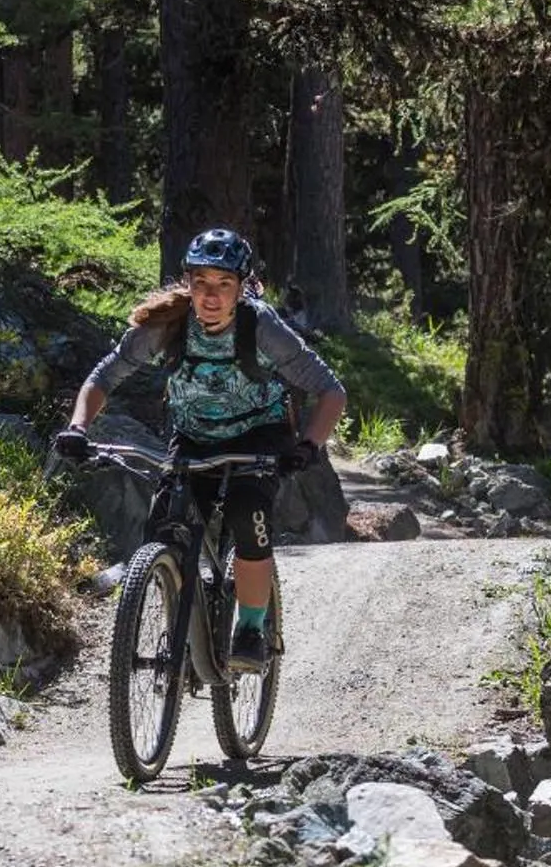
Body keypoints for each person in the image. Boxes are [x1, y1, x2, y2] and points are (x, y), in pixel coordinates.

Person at [52, 227, 346, 672]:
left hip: (258, 436)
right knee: (166, 529)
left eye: (224, 284)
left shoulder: (261, 326)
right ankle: (184, 628)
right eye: (201, 282)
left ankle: (249, 627)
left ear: (242, 287)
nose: (210, 295)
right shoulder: (167, 327)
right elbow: (103, 377)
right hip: (194, 436)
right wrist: (78, 427)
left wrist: (308, 446)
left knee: (249, 515)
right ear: (187, 282)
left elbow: (330, 390)